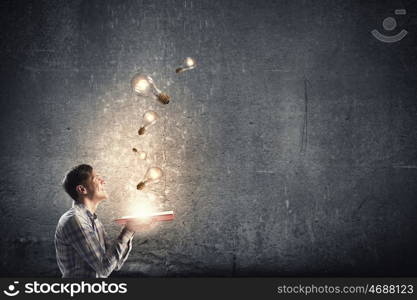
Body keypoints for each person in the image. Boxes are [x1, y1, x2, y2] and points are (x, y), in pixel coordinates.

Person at [55, 164, 145, 278]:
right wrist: (128, 230)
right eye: (96, 178)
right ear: (82, 189)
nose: (103, 181)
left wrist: (131, 229)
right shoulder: (75, 220)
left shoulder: (92, 219)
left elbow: (115, 264)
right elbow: (104, 268)